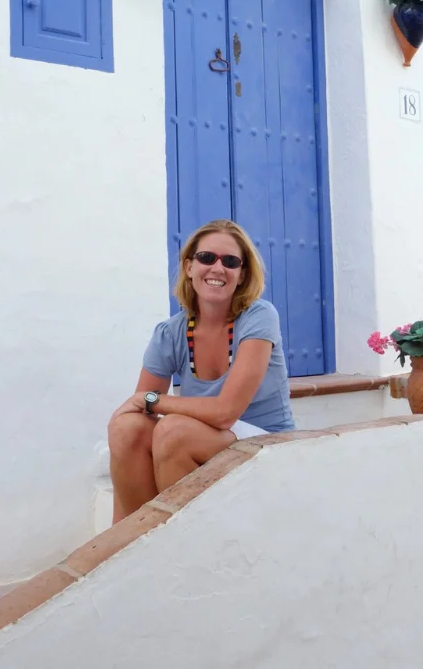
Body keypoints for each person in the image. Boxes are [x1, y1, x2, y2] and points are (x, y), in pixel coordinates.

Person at [107, 219, 295, 523]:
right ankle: (130, 535)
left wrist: (152, 400)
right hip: (208, 439)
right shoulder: (170, 333)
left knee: (174, 432)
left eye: (230, 262)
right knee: (127, 428)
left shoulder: (259, 317)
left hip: (268, 443)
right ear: (189, 266)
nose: (218, 268)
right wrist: (144, 405)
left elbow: (225, 413)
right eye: (207, 258)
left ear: (242, 274)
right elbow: (139, 414)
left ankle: (182, 539)